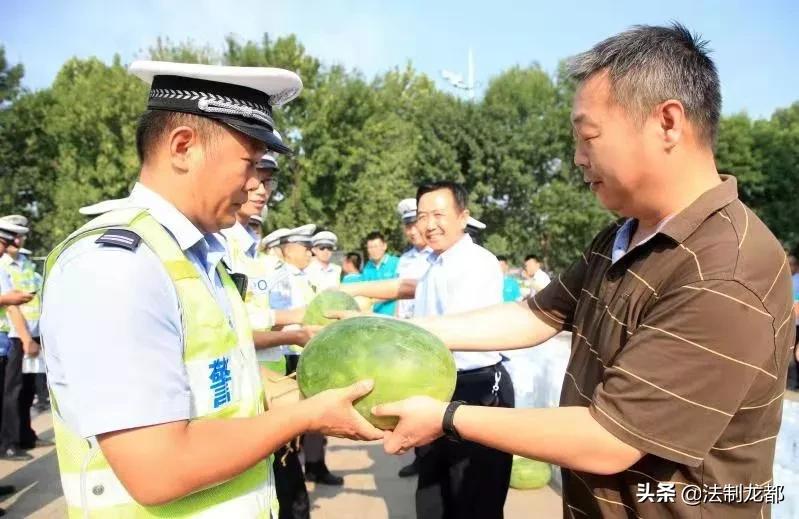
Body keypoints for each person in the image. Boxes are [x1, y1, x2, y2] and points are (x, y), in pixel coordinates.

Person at [366, 24, 792, 519]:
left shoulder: (727, 271)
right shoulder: (624, 235)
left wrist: (447, 417)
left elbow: (609, 438)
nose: (577, 158)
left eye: (589, 136)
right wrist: (404, 330)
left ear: (668, 123)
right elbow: (534, 315)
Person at [40, 60, 381, 517]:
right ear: (184, 147)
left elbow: (226, 389)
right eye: (249, 163)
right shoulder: (117, 265)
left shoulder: (197, 258)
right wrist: (305, 416)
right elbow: (157, 468)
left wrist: (341, 387)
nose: (257, 184)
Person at [340, 181, 513, 518]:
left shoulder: (476, 263)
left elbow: (456, 328)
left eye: (438, 214)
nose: (429, 224)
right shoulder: (436, 262)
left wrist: (371, 324)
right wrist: (351, 295)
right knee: (433, 492)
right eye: (423, 217)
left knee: (474, 497)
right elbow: (405, 287)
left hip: (475, 387)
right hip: (436, 387)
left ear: (463, 217)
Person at [219, 155, 317, 519]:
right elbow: (230, 329)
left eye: (268, 182)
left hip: (268, 390)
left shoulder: (247, 250)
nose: (261, 190)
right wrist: (294, 329)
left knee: (286, 489)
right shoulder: (220, 247)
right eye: (253, 178)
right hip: (243, 396)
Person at [0, 215, 52, 461]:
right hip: (15, 336)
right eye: (13, 237)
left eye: (20, 236)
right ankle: (9, 443)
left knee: (29, 386)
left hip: (33, 333)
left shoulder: (25, 263)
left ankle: (25, 434)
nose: (18, 241)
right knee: (13, 391)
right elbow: (11, 305)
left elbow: (39, 293)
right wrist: (25, 338)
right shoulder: (2, 266)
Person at [360, 231, 399, 316]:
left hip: (394, 316)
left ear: (384, 246)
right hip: (374, 316)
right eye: (370, 247)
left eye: (376, 246)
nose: (374, 250)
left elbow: (399, 291)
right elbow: (364, 291)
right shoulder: (367, 268)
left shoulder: (396, 263)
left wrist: (373, 300)